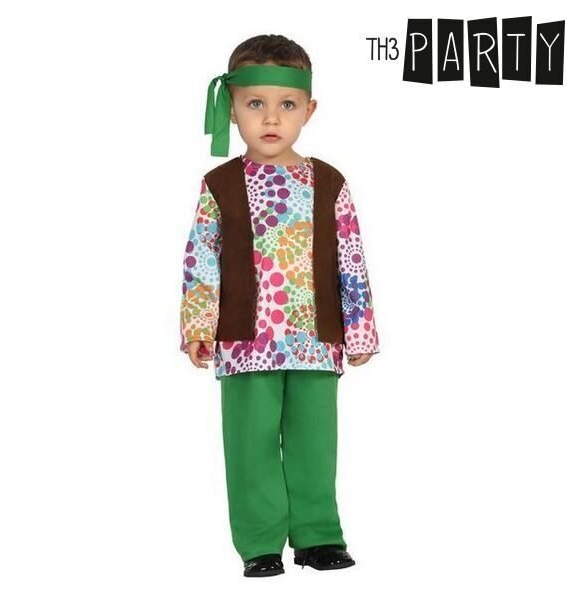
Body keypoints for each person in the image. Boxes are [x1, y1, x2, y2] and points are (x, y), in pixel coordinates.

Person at [179, 34, 381, 577]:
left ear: (308, 110)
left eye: (286, 104)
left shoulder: (329, 183)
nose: (271, 118)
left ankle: (318, 535)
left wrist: (359, 329)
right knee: (251, 445)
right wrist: (198, 325)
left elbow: (350, 257)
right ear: (232, 108)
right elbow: (202, 259)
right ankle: (260, 543)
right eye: (255, 104)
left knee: (316, 442)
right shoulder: (220, 185)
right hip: (244, 342)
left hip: (316, 339)